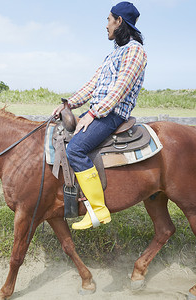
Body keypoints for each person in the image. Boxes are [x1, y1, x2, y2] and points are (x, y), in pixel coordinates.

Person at [52, 2, 147, 230]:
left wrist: (92, 114)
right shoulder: (115, 53)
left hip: (111, 115)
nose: (106, 25)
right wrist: (69, 104)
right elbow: (93, 84)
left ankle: (97, 209)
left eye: (108, 20)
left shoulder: (135, 51)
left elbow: (120, 89)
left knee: (75, 148)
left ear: (119, 21)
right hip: (100, 111)